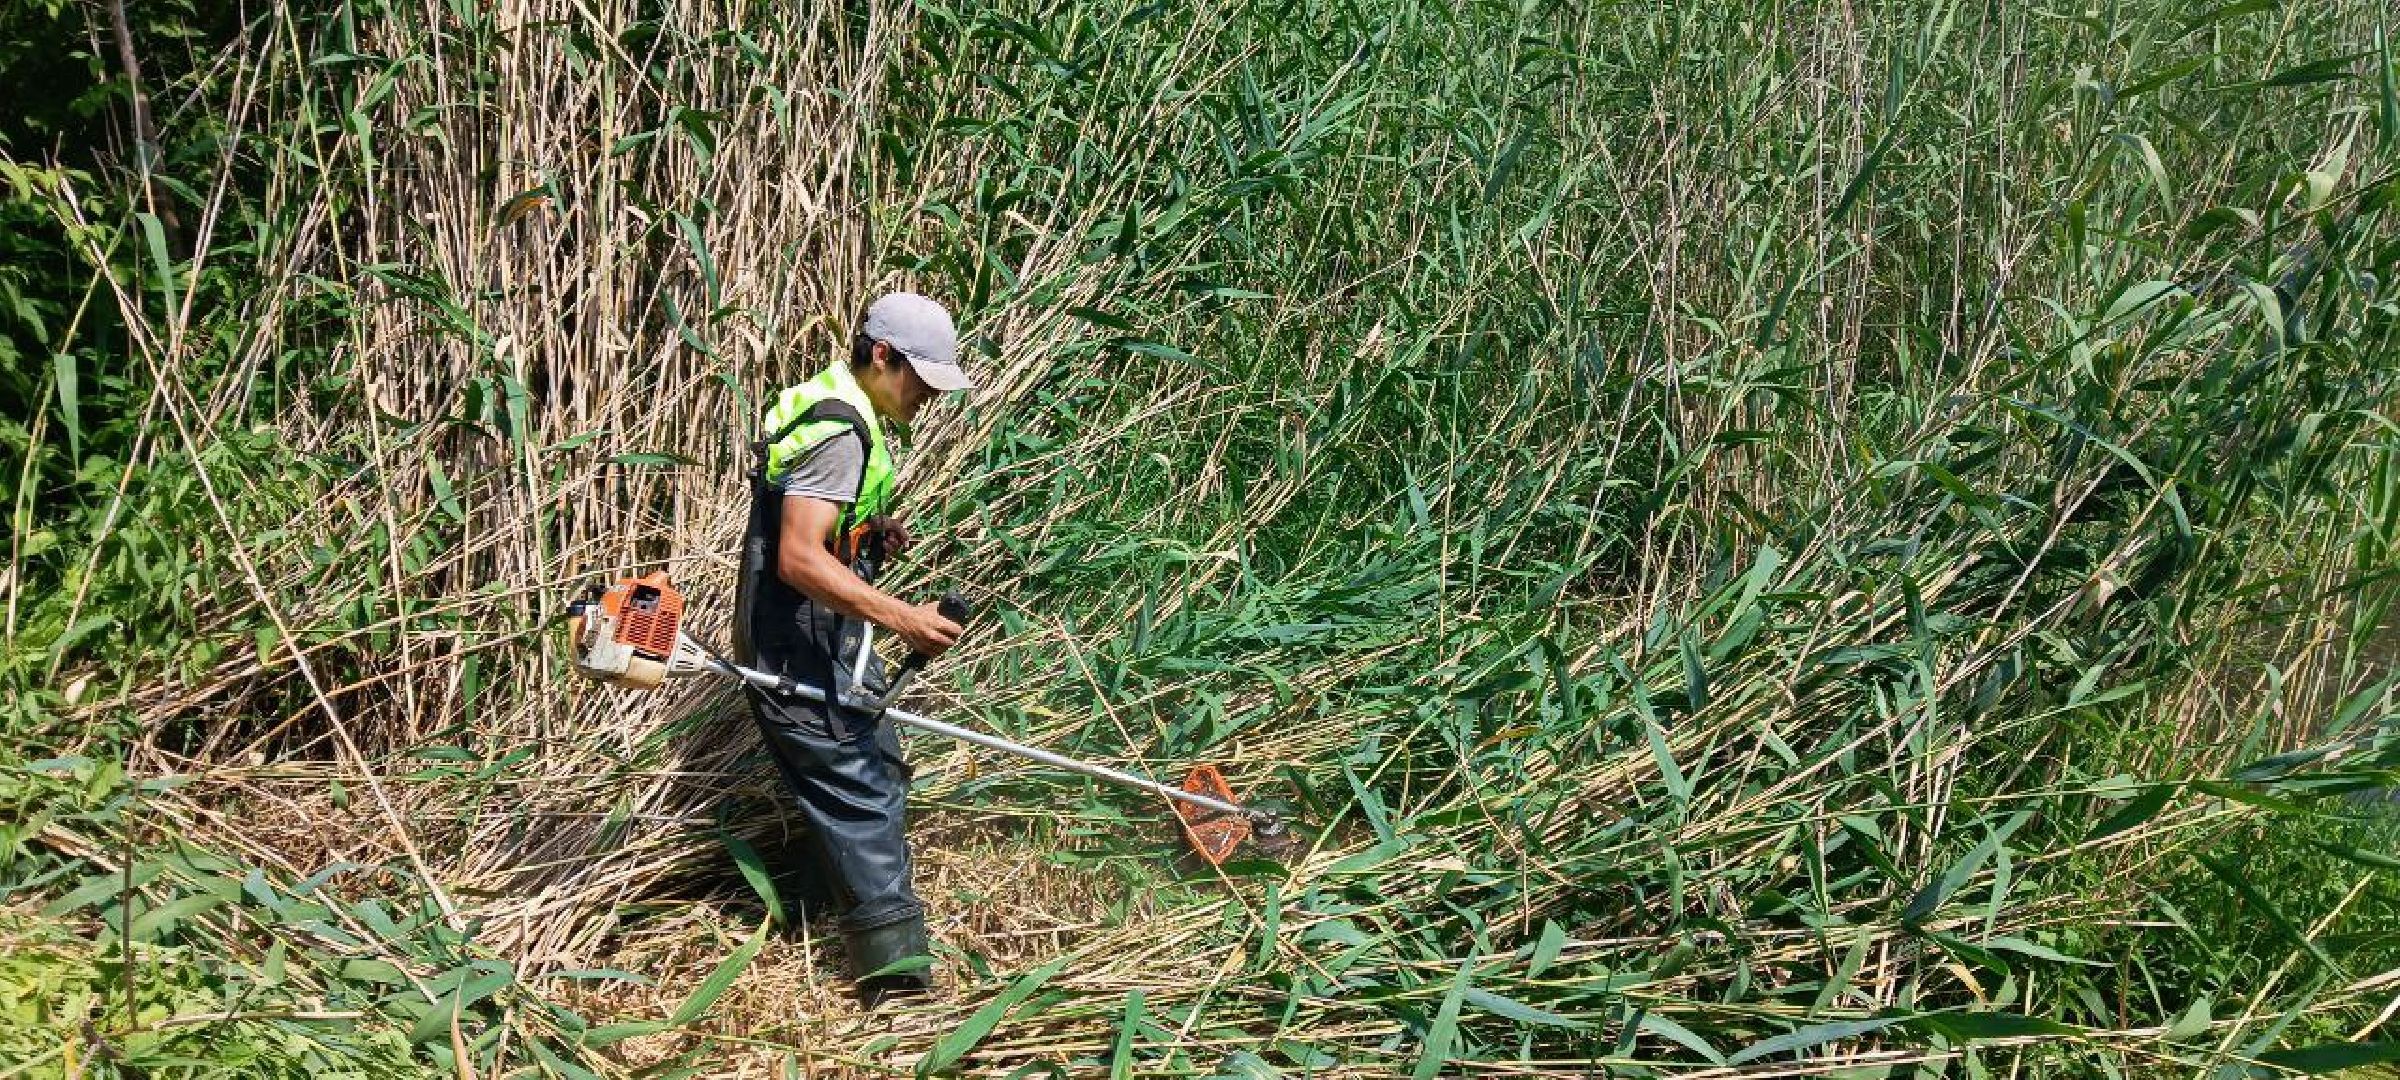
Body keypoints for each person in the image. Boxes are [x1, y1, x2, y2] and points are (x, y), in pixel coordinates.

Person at [732, 291, 971, 1003]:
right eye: (922, 378)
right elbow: (799, 560)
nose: (930, 395)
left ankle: (824, 916)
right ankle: (897, 993)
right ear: (882, 355)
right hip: (795, 648)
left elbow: (811, 523)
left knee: (879, 766)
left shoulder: (846, 406)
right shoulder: (842, 432)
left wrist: (866, 532)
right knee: (863, 792)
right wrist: (904, 618)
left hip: (821, 637)